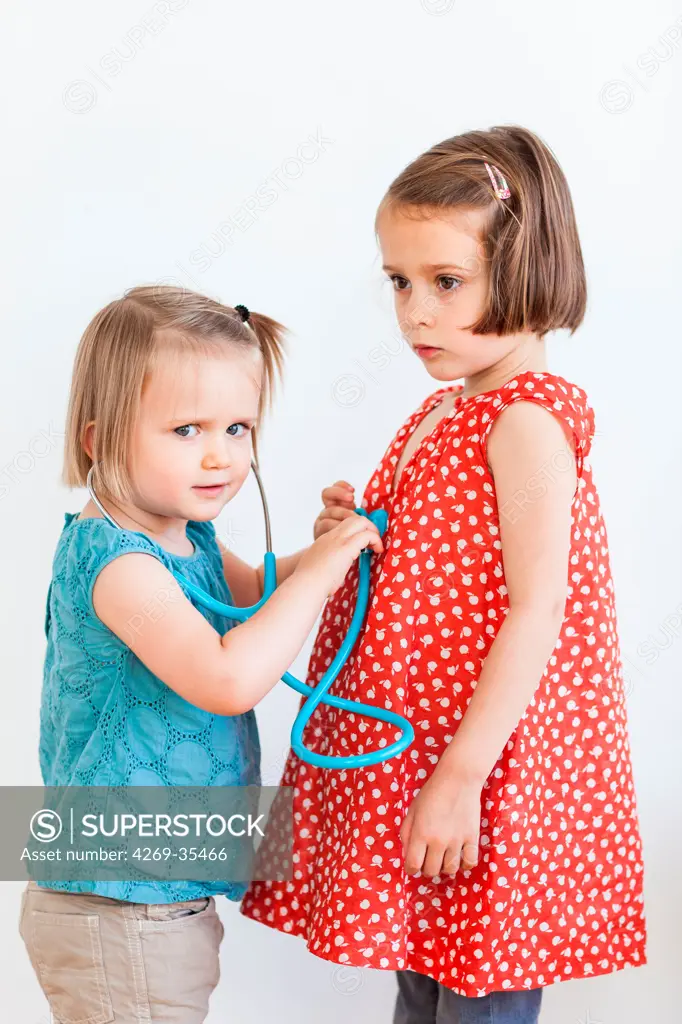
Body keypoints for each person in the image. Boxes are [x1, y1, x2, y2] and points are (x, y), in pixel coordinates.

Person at [240, 126, 647, 1023]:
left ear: (530, 269)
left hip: (481, 772)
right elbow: (438, 561)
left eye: (445, 282)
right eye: (399, 282)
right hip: (423, 756)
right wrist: (355, 535)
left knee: (478, 991)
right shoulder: (444, 408)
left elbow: (540, 609)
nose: (414, 311)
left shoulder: (525, 421)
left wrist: (460, 779)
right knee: (425, 978)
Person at [19, 285, 382, 1024]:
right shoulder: (118, 564)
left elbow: (254, 600)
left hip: (153, 899)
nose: (221, 455)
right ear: (99, 439)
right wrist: (320, 571)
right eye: (186, 429)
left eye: (239, 428)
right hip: (116, 907)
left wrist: (324, 548)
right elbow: (228, 677)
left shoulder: (187, 538)